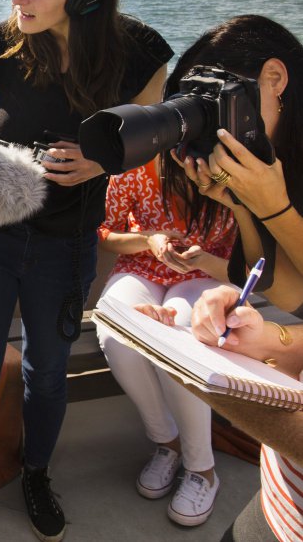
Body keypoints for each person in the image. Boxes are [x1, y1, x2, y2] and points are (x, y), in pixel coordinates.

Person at [0, 0, 173, 542]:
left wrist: (100, 161)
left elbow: (152, 139)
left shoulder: (143, 55)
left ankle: (35, 475)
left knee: (48, 371)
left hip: (66, 244)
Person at [169, 14, 303, 542]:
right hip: (282, 494)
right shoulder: (283, 165)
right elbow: (289, 291)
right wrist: (245, 204)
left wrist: (275, 207)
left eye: (220, 98)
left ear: (275, 79)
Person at [95, 152, 236, 526]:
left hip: (204, 271)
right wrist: (149, 240)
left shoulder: (228, 166)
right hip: (142, 266)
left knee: (180, 342)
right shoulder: (135, 163)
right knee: (115, 331)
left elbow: (251, 253)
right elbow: (107, 233)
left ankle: (202, 469)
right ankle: (167, 443)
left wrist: (203, 259)